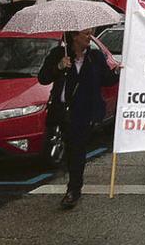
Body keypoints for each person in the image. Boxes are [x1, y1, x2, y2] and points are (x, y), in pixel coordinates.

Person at [38, 28, 121, 209]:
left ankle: (73, 189)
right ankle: (74, 186)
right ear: (74, 37)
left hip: (84, 112)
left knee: (77, 149)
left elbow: (106, 80)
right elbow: (43, 78)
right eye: (86, 34)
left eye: (90, 34)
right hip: (63, 111)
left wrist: (116, 72)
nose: (89, 38)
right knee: (71, 150)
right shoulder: (58, 54)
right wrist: (59, 67)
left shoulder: (95, 57)